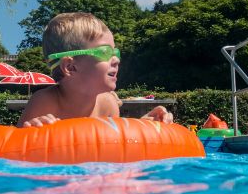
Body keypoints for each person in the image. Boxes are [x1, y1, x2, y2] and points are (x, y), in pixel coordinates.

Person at [18, 12, 173, 127]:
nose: (116, 59)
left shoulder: (108, 105)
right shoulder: (44, 103)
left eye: (115, 52)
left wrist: (143, 125)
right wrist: (31, 130)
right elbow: (15, 152)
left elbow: (115, 147)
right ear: (70, 67)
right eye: (105, 52)